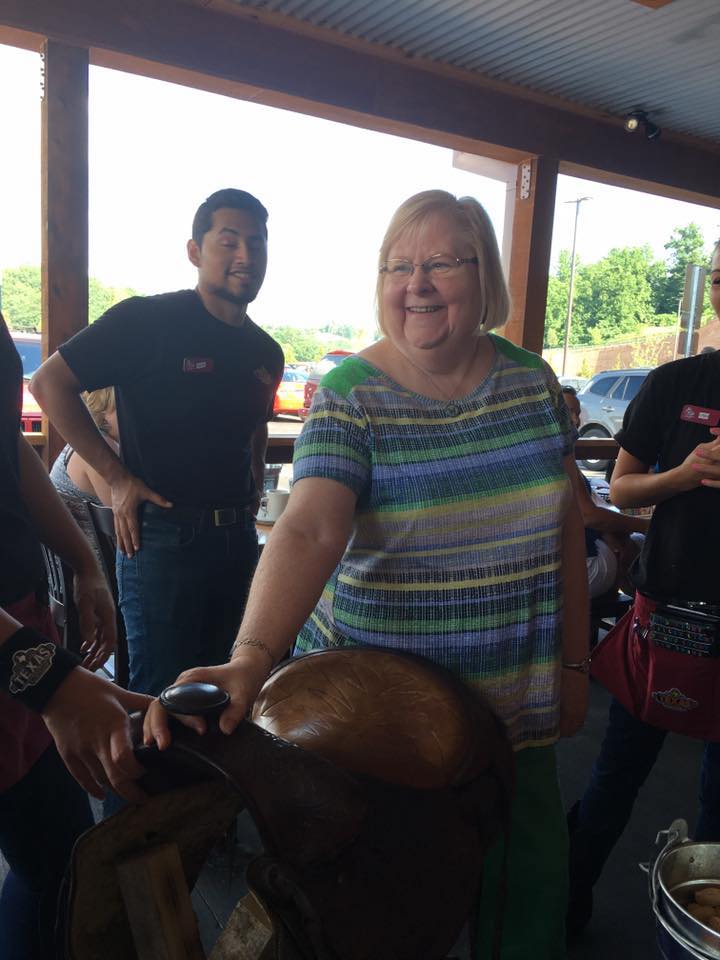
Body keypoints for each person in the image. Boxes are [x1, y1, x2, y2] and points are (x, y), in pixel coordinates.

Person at [145, 189, 590, 959]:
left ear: (484, 277)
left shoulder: (533, 383)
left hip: (518, 717)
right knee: (379, 924)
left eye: (441, 263)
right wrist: (250, 659)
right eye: (397, 266)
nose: (416, 284)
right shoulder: (351, 394)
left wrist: (576, 666)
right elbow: (310, 526)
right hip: (384, 738)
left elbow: (565, 525)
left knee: (527, 909)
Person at [31, 189, 284, 696]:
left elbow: (256, 428)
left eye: (256, 243)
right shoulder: (146, 321)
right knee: (159, 698)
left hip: (238, 541)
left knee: (230, 692)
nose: (245, 255)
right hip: (163, 538)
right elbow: (48, 383)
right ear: (195, 251)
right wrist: (117, 477)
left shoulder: (266, 351)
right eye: (229, 241)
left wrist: (255, 485)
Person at [566, 240, 720, 935]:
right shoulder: (675, 382)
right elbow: (623, 486)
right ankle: (565, 906)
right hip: (664, 614)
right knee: (616, 775)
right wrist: (686, 475)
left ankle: (698, 936)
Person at [0, 312, 151, 960]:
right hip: (22, 661)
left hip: (20, 632)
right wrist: (52, 681)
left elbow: (8, 445)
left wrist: (84, 562)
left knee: (60, 862)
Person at [561, 386, 649, 598]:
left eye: (578, 413)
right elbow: (589, 516)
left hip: (561, 565)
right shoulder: (558, 455)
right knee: (643, 544)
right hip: (574, 569)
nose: (575, 420)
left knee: (628, 540)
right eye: (567, 412)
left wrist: (609, 530)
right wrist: (649, 526)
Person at [49, 387, 119, 567]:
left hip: (67, 571)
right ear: (104, 410)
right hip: (93, 572)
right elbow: (128, 525)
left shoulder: (85, 443)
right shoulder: (103, 448)